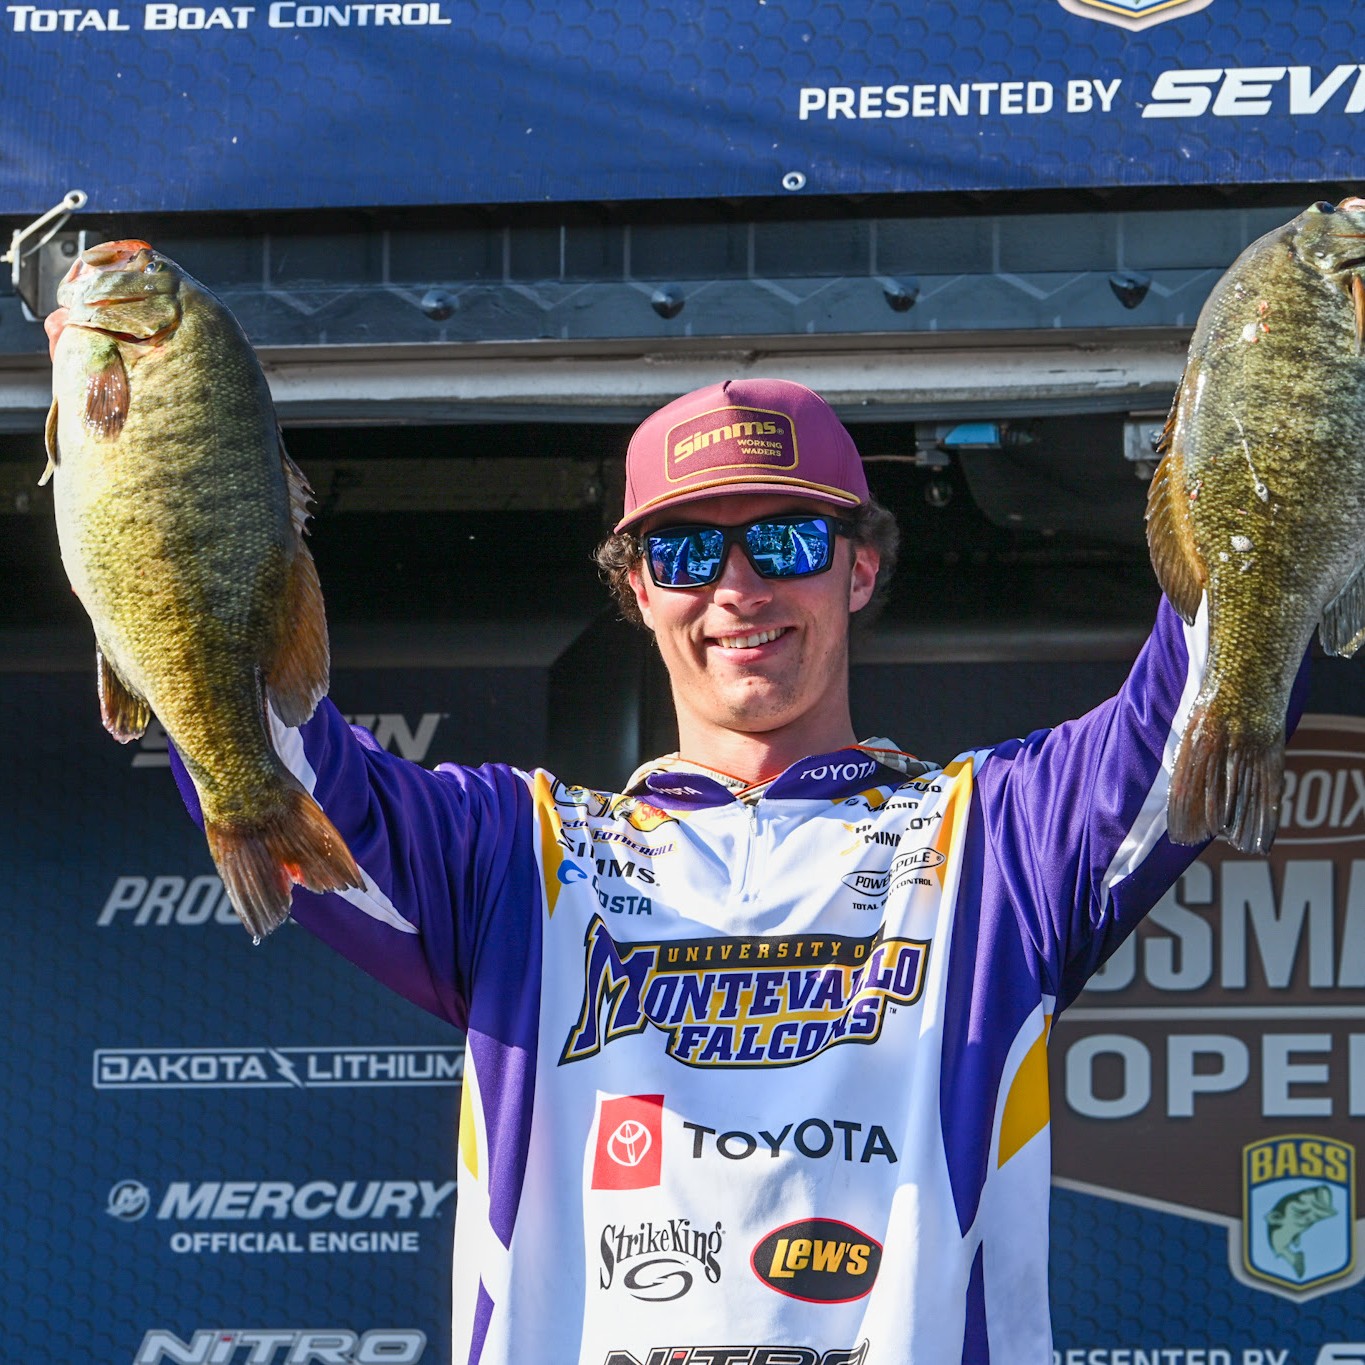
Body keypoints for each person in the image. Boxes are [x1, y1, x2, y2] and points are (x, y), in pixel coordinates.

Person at [173, 376, 1226, 1365]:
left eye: (785, 541)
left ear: (860, 568)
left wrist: (1277, 386)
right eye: (684, 552)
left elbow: (1221, 660)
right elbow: (250, 747)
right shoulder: (520, 858)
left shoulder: (996, 842)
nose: (737, 587)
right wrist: (163, 469)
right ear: (637, 589)